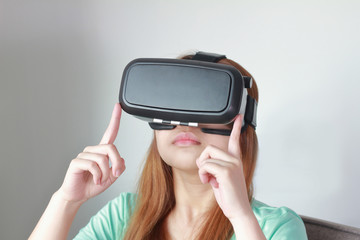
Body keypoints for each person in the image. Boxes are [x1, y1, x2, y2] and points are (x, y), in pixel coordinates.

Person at [29, 54, 308, 240]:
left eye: (206, 104)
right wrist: (66, 201)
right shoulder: (124, 215)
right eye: (174, 103)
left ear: (243, 130)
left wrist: (239, 215)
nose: (185, 123)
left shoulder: (275, 227)